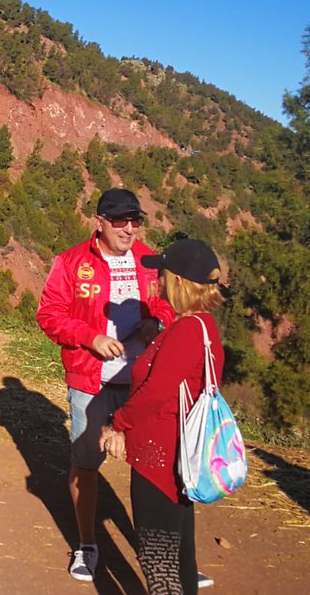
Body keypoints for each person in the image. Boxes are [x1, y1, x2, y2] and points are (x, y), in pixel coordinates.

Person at [36, 188, 174, 582]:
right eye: (120, 221)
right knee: (86, 464)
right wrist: (89, 337)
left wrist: (157, 320)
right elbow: (49, 315)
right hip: (90, 382)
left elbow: (168, 301)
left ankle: (161, 555)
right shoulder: (71, 262)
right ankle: (87, 545)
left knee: (151, 470)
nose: (129, 229)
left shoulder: (149, 260)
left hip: (143, 383)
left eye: (135, 221)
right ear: (99, 222)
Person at [100, 239, 226, 594]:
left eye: (163, 273)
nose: (157, 279)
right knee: (181, 553)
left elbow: (156, 393)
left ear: (179, 282)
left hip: (160, 460)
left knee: (159, 560)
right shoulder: (203, 328)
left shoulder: (185, 331)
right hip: (179, 455)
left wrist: (118, 425)